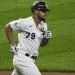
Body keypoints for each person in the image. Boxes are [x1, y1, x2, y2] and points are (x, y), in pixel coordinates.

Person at [5, 1, 52, 75]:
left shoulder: (44, 25)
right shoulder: (25, 22)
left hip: (30, 60)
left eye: (45, 11)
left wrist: (47, 38)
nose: (45, 13)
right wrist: (12, 45)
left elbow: (42, 44)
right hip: (22, 59)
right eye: (43, 11)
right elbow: (8, 27)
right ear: (36, 11)